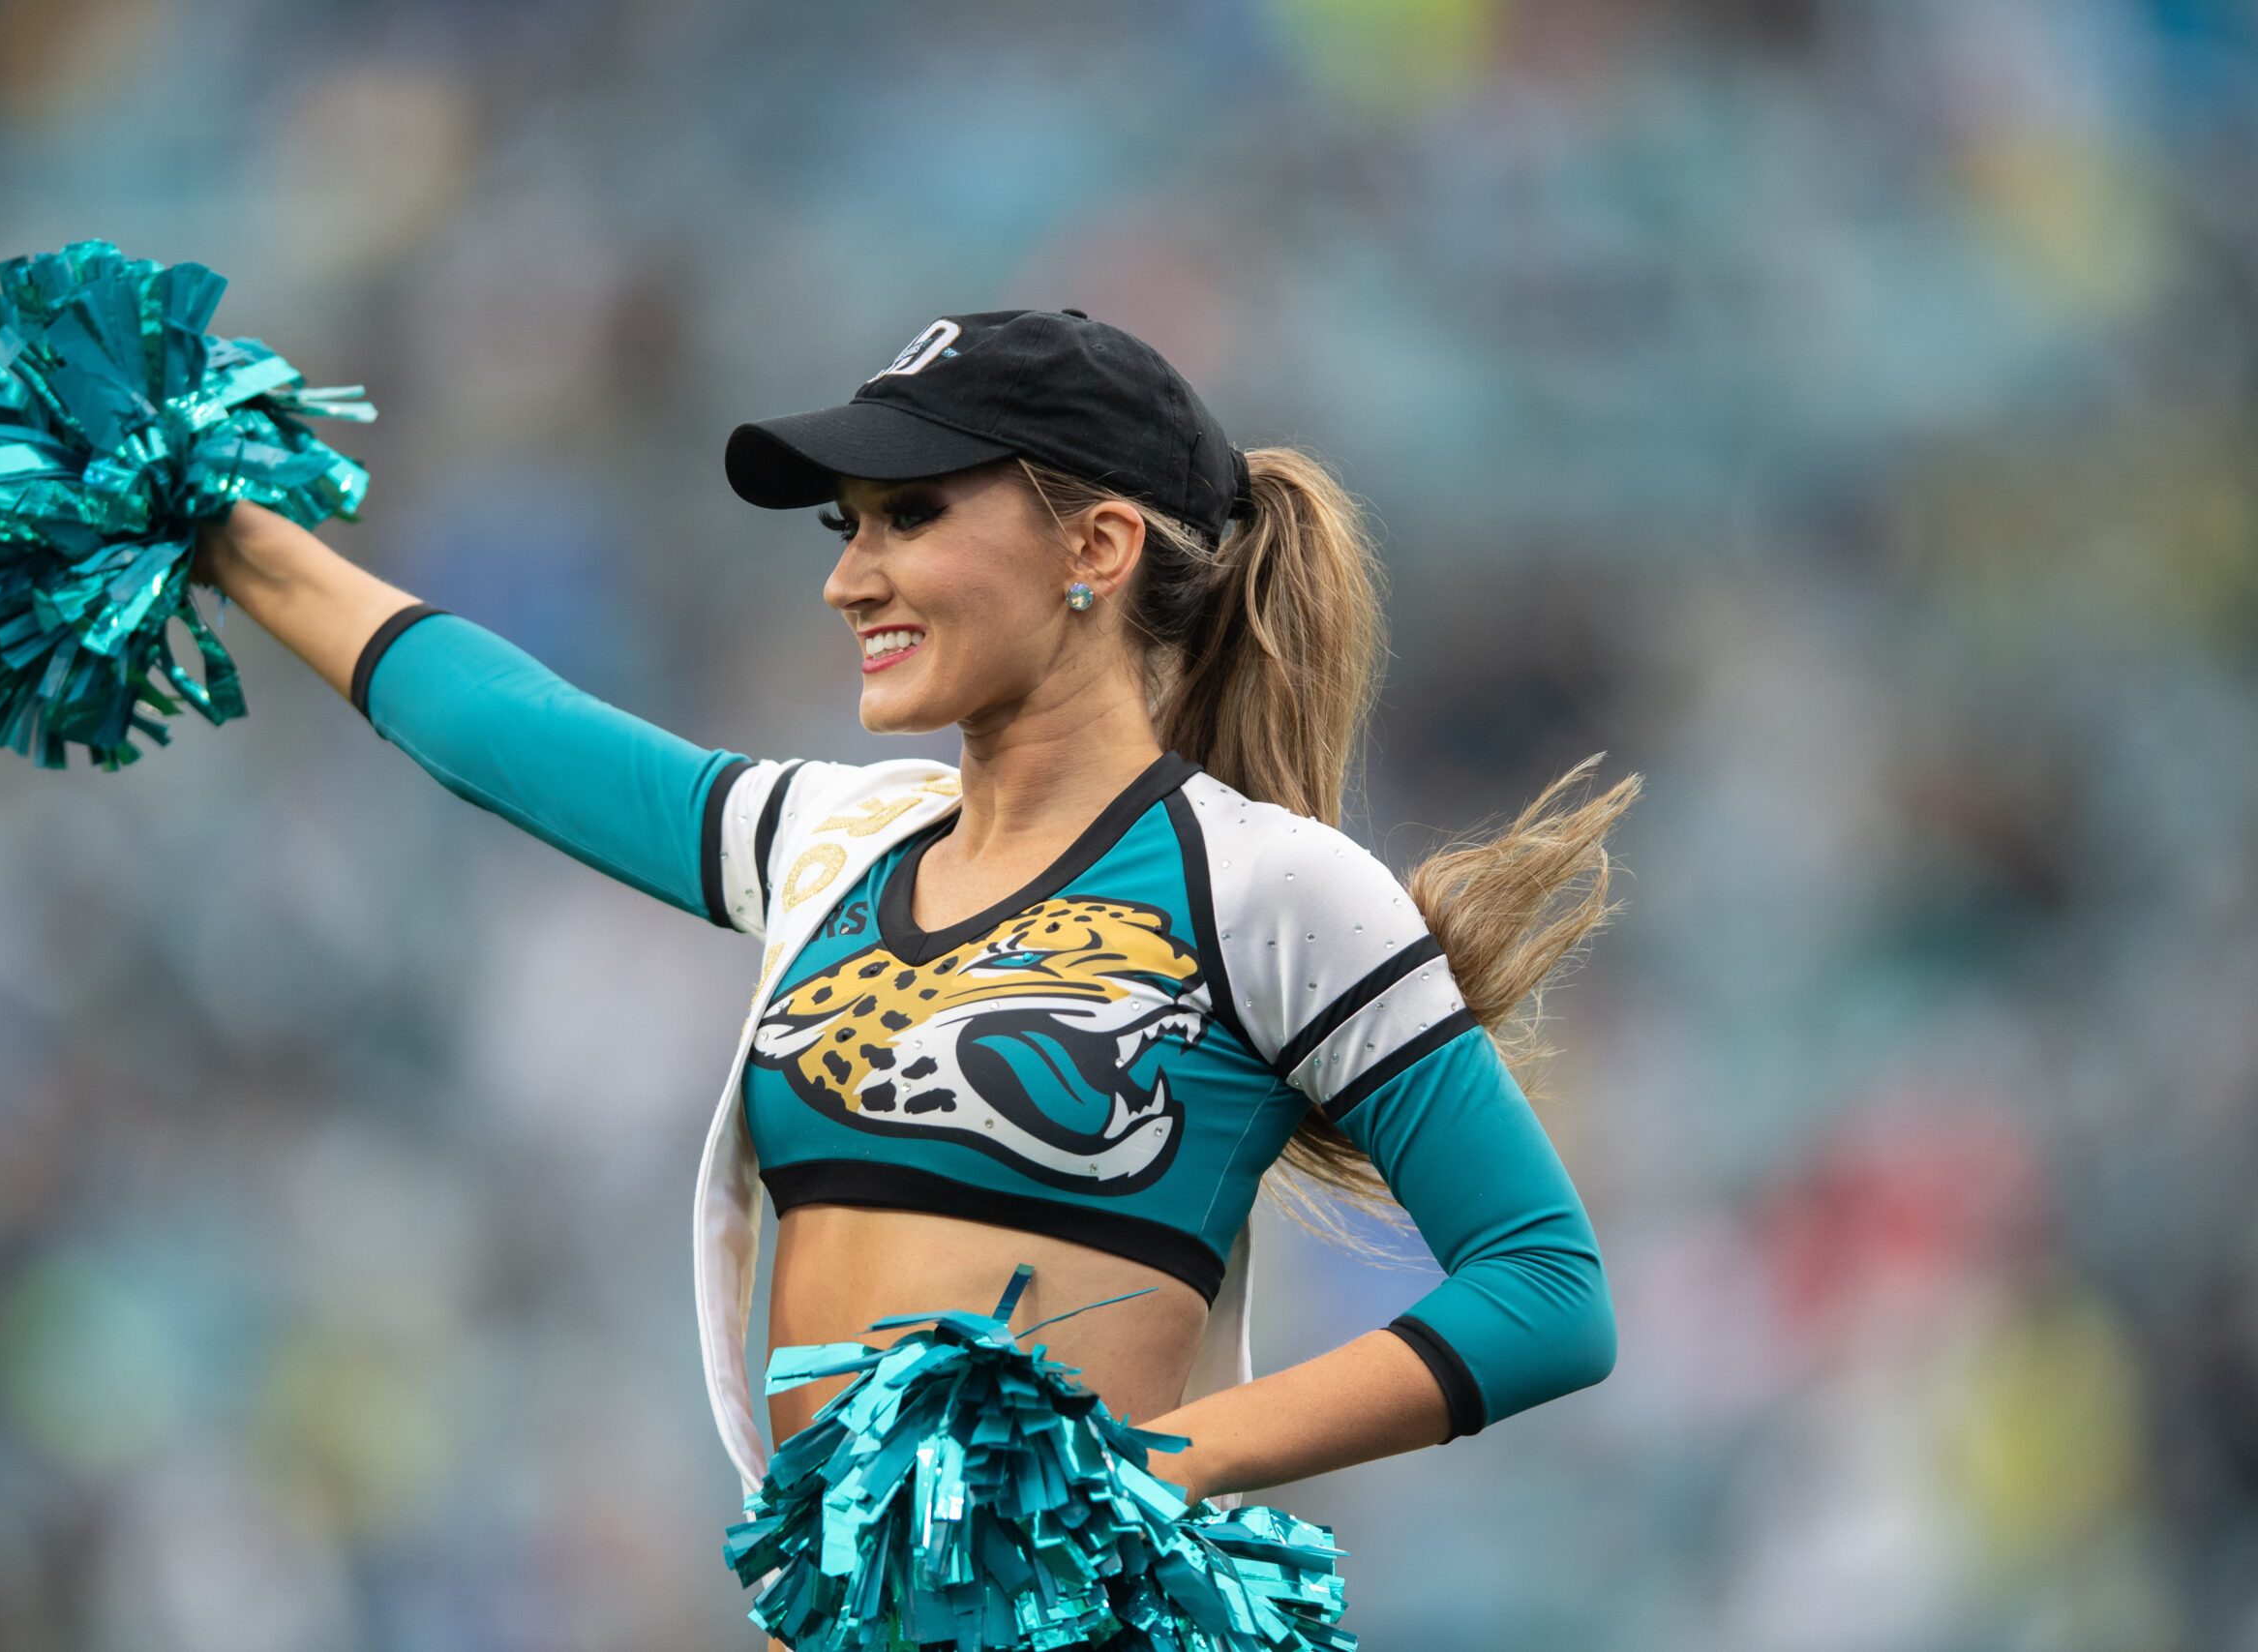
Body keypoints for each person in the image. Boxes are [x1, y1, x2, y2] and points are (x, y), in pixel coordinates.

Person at [192, 307, 1638, 1648]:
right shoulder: (837, 840)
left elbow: (1548, 1289)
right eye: (847, 526)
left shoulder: (1269, 884)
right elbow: (498, 726)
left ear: (1101, 545)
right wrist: (211, 523)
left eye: (911, 516)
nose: (847, 577)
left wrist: (1144, 1473)